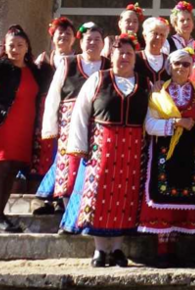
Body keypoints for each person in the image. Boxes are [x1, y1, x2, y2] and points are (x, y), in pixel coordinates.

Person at [65, 34, 152, 268]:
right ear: (111, 55)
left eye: (129, 53)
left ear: (135, 58)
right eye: (120, 53)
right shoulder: (98, 79)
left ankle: (117, 248)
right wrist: (79, 147)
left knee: (126, 196)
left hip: (133, 150)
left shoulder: (145, 84)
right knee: (99, 194)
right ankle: (99, 250)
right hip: (102, 148)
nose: (124, 57)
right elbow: (80, 115)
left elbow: (151, 119)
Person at [138, 48, 195, 268]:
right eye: (177, 64)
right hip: (164, 150)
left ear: (191, 68)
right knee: (163, 197)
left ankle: (173, 248)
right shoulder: (159, 93)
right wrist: (176, 123)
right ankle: (162, 250)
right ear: (169, 67)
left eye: (186, 64)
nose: (181, 68)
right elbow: (149, 125)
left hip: (190, 151)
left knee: (183, 197)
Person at [0, 25, 45, 233]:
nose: (15, 49)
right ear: (4, 47)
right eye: (11, 45)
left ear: (27, 47)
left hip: (23, 129)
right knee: (2, 169)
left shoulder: (32, 70)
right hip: (1, 126)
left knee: (12, 171)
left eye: (19, 45)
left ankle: (1, 215)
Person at [35, 23, 109, 215]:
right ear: (81, 42)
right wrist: (51, 127)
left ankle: (90, 210)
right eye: (88, 39)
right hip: (70, 124)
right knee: (69, 166)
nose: (92, 43)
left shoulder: (108, 65)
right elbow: (53, 97)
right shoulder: (68, 64)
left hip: (98, 123)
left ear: (103, 44)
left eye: (97, 40)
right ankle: (69, 213)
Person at [32, 17, 76, 203]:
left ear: (74, 39)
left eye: (68, 34)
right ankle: (44, 194)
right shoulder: (42, 62)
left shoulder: (77, 63)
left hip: (71, 115)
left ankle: (61, 194)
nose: (64, 37)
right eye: (60, 33)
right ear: (53, 37)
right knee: (44, 154)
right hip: (46, 114)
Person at [135, 17, 170, 85]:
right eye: (155, 33)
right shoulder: (135, 58)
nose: (158, 37)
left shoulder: (169, 61)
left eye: (162, 35)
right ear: (145, 36)